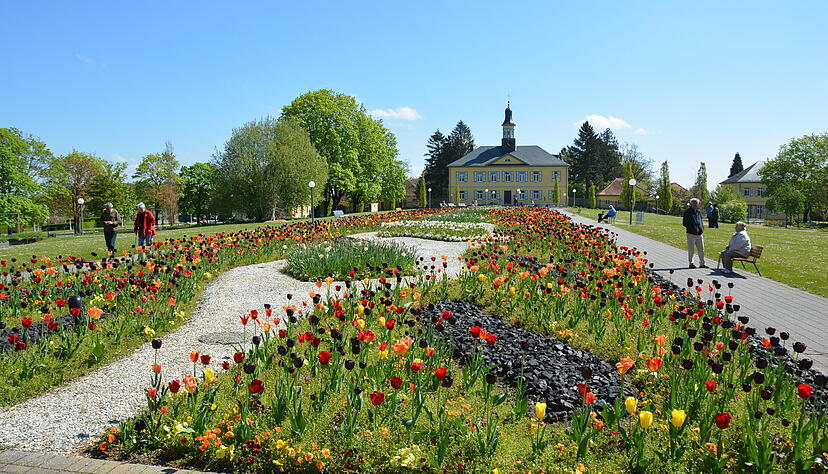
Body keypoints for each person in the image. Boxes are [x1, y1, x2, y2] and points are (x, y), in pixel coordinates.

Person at [683, 198, 708, 268]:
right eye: (694, 203)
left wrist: (702, 228)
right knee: (691, 249)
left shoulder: (698, 212)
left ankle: (702, 263)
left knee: (701, 249)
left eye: (696, 203)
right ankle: (691, 263)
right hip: (691, 234)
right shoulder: (687, 212)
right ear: (691, 204)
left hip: (699, 234)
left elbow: (700, 221)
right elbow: (685, 223)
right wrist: (692, 229)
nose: (695, 204)